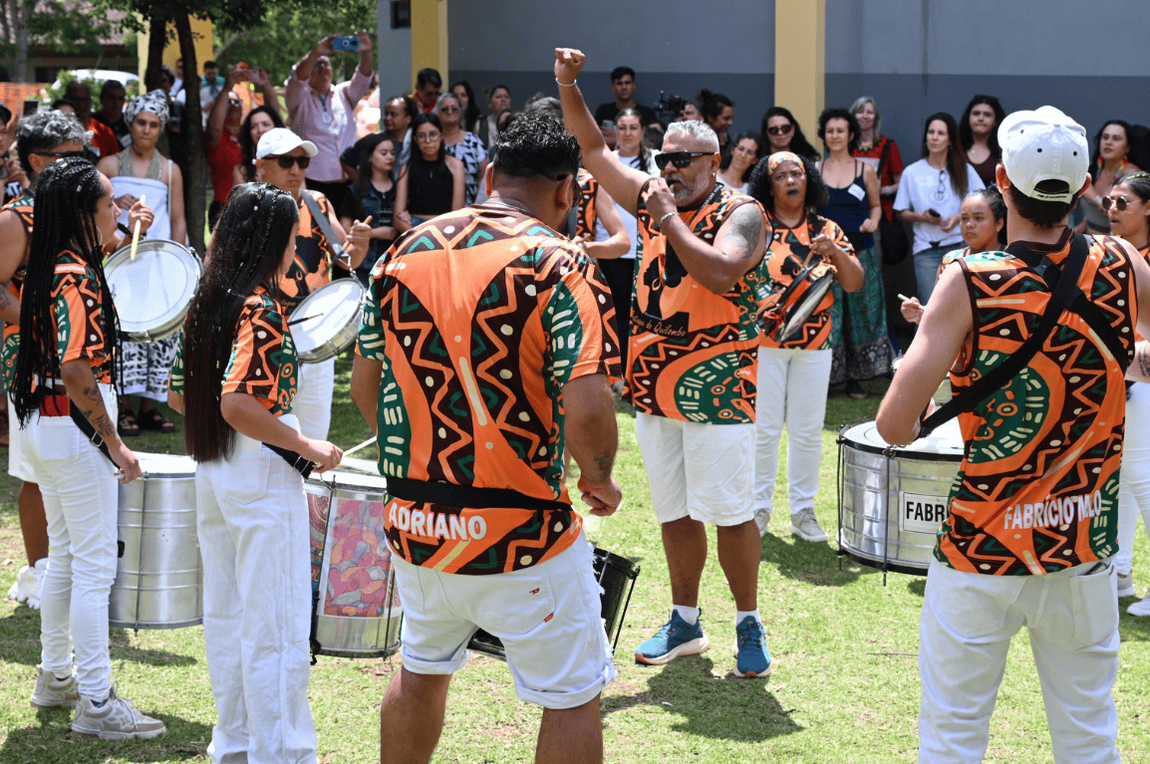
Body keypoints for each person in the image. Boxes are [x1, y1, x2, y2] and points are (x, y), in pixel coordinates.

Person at [876, 105, 1150, 764]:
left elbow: (892, 424)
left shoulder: (969, 279)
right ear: (1086, 185)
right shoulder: (1121, 263)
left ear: (1000, 179)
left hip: (982, 547)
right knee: (1089, 738)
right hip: (1081, 545)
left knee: (953, 738)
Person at [349, 111, 622, 764]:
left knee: (420, 668)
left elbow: (365, 384)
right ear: (568, 192)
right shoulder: (558, 262)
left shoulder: (400, 254)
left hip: (419, 527)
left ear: (491, 175)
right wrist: (598, 476)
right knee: (572, 696)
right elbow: (588, 402)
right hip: (520, 531)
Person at [556, 47, 772, 678]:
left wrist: (667, 216)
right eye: (664, 158)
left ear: (714, 159)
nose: (669, 167)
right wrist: (568, 83)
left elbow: (722, 271)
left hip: (718, 388)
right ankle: (685, 619)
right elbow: (593, 151)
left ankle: (747, 623)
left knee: (730, 513)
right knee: (673, 509)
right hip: (654, 386)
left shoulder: (743, 212)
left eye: (683, 159)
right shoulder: (654, 195)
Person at [168, 181, 341, 763]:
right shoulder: (260, 307)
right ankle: (280, 752)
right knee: (276, 620)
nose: (298, 248)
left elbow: (178, 394)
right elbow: (238, 403)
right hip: (259, 473)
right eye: (294, 237)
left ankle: (237, 744)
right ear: (273, 241)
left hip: (215, 468)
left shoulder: (209, 298)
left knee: (229, 614)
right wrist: (306, 445)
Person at [12, 156, 164, 739]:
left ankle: (55, 676)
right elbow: (77, 367)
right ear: (83, 212)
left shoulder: (56, 260)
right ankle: (97, 702)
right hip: (73, 428)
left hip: (44, 425)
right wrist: (115, 442)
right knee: (94, 568)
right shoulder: (74, 274)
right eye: (109, 205)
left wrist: (131, 229)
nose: (117, 212)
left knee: (68, 557)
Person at [1, 109, 153, 613]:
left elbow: (93, 256)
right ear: (37, 161)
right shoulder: (16, 218)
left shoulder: (68, 225)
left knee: (60, 494)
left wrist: (128, 229)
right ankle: (39, 572)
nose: (83, 167)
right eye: (70, 158)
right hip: (35, 366)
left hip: (70, 364)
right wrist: (41, 324)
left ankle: (54, 585)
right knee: (34, 474)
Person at [750, 152, 863, 539]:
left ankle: (802, 511)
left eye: (796, 172)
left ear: (809, 179)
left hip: (815, 343)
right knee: (763, 429)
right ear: (769, 186)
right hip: (764, 342)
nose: (789, 180)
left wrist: (834, 252)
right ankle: (758, 509)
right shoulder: (757, 227)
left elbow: (854, 282)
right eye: (780, 175)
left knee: (807, 429)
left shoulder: (827, 228)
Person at [256, 127, 370, 440]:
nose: (295, 169)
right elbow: (218, 268)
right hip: (263, 335)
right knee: (266, 437)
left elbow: (346, 259)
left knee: (314, 435)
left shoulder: (317, 203)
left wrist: (358, 245)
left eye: (302, 162)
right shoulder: (246, 207)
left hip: (315, 332)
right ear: (260, 165)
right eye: (286, 161)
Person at [96, 90, 186, 437]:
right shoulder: (107, 165)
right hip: (119, 256)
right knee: (122, 331)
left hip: (158, 260)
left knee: (157, 334)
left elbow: (177, 218)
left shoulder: (170, 169)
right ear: (130, 123)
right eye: (140, 122)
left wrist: (178, 262)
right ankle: (124, 407)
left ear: (160, 128)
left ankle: (149, 407)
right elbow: (93, 208)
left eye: (153, 124)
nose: (146, 129)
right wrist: (116, 199)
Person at [815, 108, 891, 399]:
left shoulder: (865, 170)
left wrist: (874, 219)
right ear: (824, 135)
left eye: (841, 131)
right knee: (830, 315)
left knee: (862, 315)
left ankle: (857, 379)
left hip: (861, 253)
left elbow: (875, 205)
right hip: (826, 257)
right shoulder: (816, 170)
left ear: (850, 135)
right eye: (830, 130)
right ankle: (830, 378)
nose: (835, 136)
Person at [1104, 171, 1150, 615]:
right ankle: (1120, 573)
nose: (1113, 211)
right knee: (1123, 479)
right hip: (1124, 377)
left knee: (1142, 476)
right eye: (1109, 203)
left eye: (1123, 203)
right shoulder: (1114, 254)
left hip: (1143, 379)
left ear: (1148, 207)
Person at [893, 112, 984, 304]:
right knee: (928, 306)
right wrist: (921, 217)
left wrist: (959, 217)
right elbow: (900, 211)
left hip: (961, 246)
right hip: (927, 249)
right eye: (931, 132)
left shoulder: (964, 169)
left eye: (941, 133)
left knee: (961, 304)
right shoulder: (912, 171)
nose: (934, 137)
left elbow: (983, 202)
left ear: (950, 139)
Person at [284, 31, 375, 212]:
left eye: (326, 64)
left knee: (349, 231)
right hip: (314, 183)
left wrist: (367, 51)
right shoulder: (298, 99)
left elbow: (364, 78)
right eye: (316, 65)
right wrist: (317, 52)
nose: (322, 68)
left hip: (350, 179)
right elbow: (298, 78)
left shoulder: (344, 93)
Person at [900, 187, 1007, 324]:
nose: (969, 224)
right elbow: (937, 312)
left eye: (978, 218)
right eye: (964, 218)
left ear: (999, 223)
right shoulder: (950, 260)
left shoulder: (1011, 261)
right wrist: (917, 314)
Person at [207, 66, 280, 228]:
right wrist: (228, 87)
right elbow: (215, 128)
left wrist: (266, 85)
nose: (233, 105)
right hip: (225, 207)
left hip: (260, 204)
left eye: (237, 101)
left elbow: (274, 122)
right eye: (228, 102)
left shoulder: (251, 135)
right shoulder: (216, 138)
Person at [339, 132, 397, 284]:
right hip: (365, 265)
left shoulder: (401, 189)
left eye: (392, 153)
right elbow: (345, 227)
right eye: (383, 153)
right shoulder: (355, 190)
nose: (390, 157)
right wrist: (374, 233)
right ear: (370, 157)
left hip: (395, 263)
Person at [394, 113, 464, 233]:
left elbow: (457, 215)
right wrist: (418, 237)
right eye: (421, 136)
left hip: (446, 227)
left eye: (433, 135)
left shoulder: (456, 166)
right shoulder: (407, 168)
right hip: (414, 228)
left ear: (441, 136)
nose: (427, 141)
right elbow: (397, 219)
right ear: (415, 139)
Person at [1078, 120, 1149, 236]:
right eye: (1105, 137)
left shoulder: (1132, 174)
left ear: (1127, 147)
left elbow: (1112, 209)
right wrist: (1085, 223)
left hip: (1115, 246)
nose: (1108, 142)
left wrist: (1096, 199)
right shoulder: (1093, 168)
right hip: (1089, 242)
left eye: (1116, 139)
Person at [850, 96, 903, 224]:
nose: (865, 116)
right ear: (853, 117)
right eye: (860, 112)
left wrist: (884, 190)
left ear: (875, 118)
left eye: (869, 112)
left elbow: (902, 183)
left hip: (881, 220)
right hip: (851, 216)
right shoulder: (846, 146)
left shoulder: (887, 146)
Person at [437, 93, 487, 206]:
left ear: (461, 114)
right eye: (445, 109)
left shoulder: (473, 141)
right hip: (437, 209)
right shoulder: (432, 141)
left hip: (470, 207)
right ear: (438, 113)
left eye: (455, 109)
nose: (450, 112)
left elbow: (483, 179)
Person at [958, 95, 1006, 188]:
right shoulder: (955, 148)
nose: (980, 118)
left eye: (987, 114)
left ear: (996, 120)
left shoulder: (1003, 151)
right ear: (968, 117)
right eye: (976, 113)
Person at [63, 81, 118, 159]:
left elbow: (117, 164)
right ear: (66, 100)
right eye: (77, 100)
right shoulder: (56, 130)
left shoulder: (105, 132)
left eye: (85, 100)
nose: (81, 105)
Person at [234, 104, 284, 185]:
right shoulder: (241, 170)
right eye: (254, 126)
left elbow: (301, 195)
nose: (260, 130)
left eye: (265, 124)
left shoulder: (293, 162)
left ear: (276, 128)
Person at [92, 79, 128, 150]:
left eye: (120, 99)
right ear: (102, 99)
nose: (116, 103)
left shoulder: (129, 123)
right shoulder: (91, 123)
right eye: (112, 98)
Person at [699, 90, 734, 155]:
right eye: (726, 118)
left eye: (731, 118)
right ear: (711, 117)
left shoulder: (725, 137)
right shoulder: (699, 141)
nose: (730, 123)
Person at [478, 84, 511, 149]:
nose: (503, 100)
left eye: (506, 97)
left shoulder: (518, 122)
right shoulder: (480, 124)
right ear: (490, 103)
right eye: (498, 97)